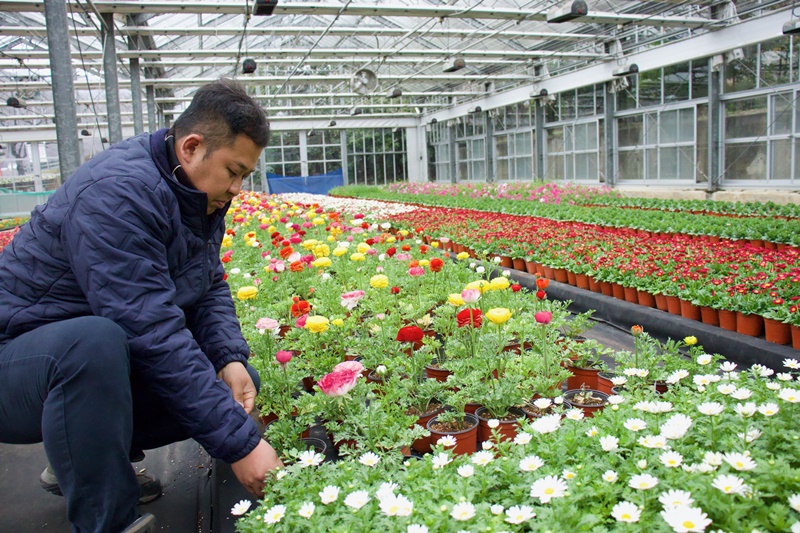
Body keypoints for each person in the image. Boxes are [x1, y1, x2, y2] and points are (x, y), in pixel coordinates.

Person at [0, 79, 282, 533]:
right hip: (17, 364)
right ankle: (106, 523)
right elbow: (149, 331)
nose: (237, 188)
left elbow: (207, 284)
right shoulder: (117, 194)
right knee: (93, 343)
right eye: (233, 171)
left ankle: (78, 453)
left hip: (80, 366)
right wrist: (240, 444)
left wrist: (230, 357)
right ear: (191, 146)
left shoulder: (193, 195)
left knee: (234, 382)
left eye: (244, 175)